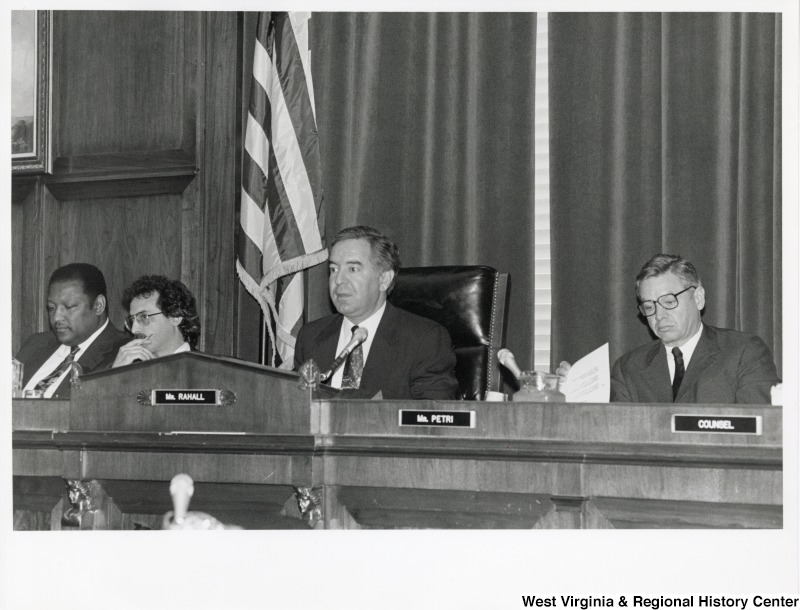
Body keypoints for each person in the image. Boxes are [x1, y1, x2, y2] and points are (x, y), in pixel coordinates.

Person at [557, 254, 779, 404]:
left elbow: (759, 432)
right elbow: (615, 437)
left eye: (669, 301)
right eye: (649, 306)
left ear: (698, 298)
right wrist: (578, 395)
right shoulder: (628, 369)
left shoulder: (744, 353)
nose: (659, 315)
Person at [294, 225, 458, 400]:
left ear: (384, 280)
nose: (338, 280)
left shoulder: (424, 340)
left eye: (353, 269)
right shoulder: (310, 337)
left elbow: (432, 417)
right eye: (334, 269)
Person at [16, 263, 128, 398]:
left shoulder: (123, 356)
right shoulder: (36, 343)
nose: (57, 317)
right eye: (51, 307)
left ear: (98, 305)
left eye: (68, 307)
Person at [112, 275, 201, 367]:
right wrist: (115, 374)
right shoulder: (129, 368)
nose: (134, 330)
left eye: (143, 317)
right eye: (131, 320)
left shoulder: (209, 368)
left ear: (175, 317)